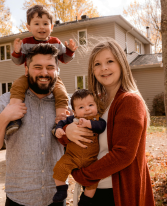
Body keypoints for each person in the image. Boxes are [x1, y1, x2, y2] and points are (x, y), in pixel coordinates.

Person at [58, 39, 155, 206]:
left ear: (121, 64)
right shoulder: (96, 102)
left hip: (115, 194)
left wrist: (82, 175)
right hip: (94, 190)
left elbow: (122, 155)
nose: (104, 68)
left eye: (110, 61)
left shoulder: (129, 101)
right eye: (97, 64)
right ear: (92, 70)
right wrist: (67, 131)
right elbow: (72, 128)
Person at [0, 44, 78, 206]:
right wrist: (5, 117)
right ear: (26, 69)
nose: (44, 73)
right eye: (37, 67)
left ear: (57, 71)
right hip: (18, 198)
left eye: (50, 67)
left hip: (56, 197)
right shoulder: (7, 100)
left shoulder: (66, 106)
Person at [6, 4, 77, 135]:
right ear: (28, 27)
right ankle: (14, 119)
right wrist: (17, 51)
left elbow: (64, 59)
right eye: (37, 23)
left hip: (53, 79)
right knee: (17, 87)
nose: (41, 27)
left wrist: (70, 51)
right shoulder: (26, 43)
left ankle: (60, 123)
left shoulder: (55, 42)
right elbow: (19, 61)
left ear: (51, 26)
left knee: (62, 94)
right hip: (30, 77)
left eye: (45, 23)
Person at [52, 89, 106, 205]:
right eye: (81, 107)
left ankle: (85, 199)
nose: (87, 109)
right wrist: (59, 129)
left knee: (93, 181)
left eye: (91, 105)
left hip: (90, 160)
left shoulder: (97, 120)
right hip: (72, 156)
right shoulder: (72, 119)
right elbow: (61, 122)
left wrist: (89, 124)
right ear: (74, 112)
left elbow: (102, 126)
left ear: (96, 106)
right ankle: (61, 190)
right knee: (59, 167)